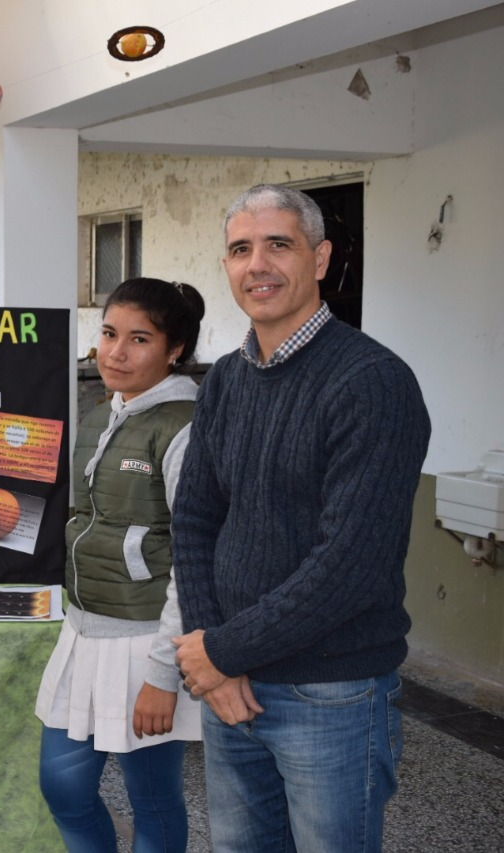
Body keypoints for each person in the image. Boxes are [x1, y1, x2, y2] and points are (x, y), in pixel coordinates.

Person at [171, 184, 430, 851]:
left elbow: (350, 563)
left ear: (320, 259)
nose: (257, 264)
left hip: (331, 693)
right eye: (240, 249)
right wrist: (213, 650)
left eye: (278, 244)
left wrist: (221, 652)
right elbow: (196, 518)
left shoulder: (372, 382)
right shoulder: (226, 379)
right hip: (234, 687)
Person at [36, 277, 207, 852]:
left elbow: (195, 556)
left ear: (174, 349)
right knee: (63, 788)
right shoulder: (101, 413)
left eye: (139, 339)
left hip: (146, 640)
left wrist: (164, 673)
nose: (116, 352)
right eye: (109, 334)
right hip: (85, 629)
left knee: (153, 798)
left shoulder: (183, 425)